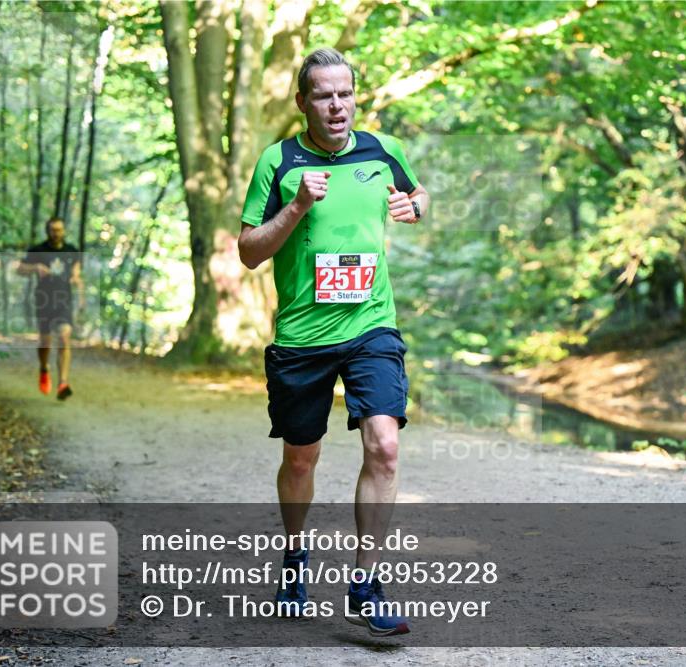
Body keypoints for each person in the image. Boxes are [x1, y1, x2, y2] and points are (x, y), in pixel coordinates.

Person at [238, 47, 429, 637]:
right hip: (302, 335)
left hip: (371, 325)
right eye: (323, 96)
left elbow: (419, 194)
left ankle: (365, 585)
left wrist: (414, 206)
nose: (337, 105)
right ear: (303, 103)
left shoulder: (383, 149)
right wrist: (297, 205)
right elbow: (248, 251)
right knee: (302, 457)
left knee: (385, 446)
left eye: (345, 94)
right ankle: (295, 558)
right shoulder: (278, 162)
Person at [17, 217, 83, 400]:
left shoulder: (71, 251)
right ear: (48, 231)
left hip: (64, 302)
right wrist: (35, 267)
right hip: (44, 301)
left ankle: (63, 383)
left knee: (64, 337)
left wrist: (76, 278)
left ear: (64, 231)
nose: (56, 233)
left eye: (59, 229)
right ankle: (44, 368)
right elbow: (20, 269)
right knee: (45, 341)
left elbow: (76, 270)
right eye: (53, 230)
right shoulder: (38, 250)